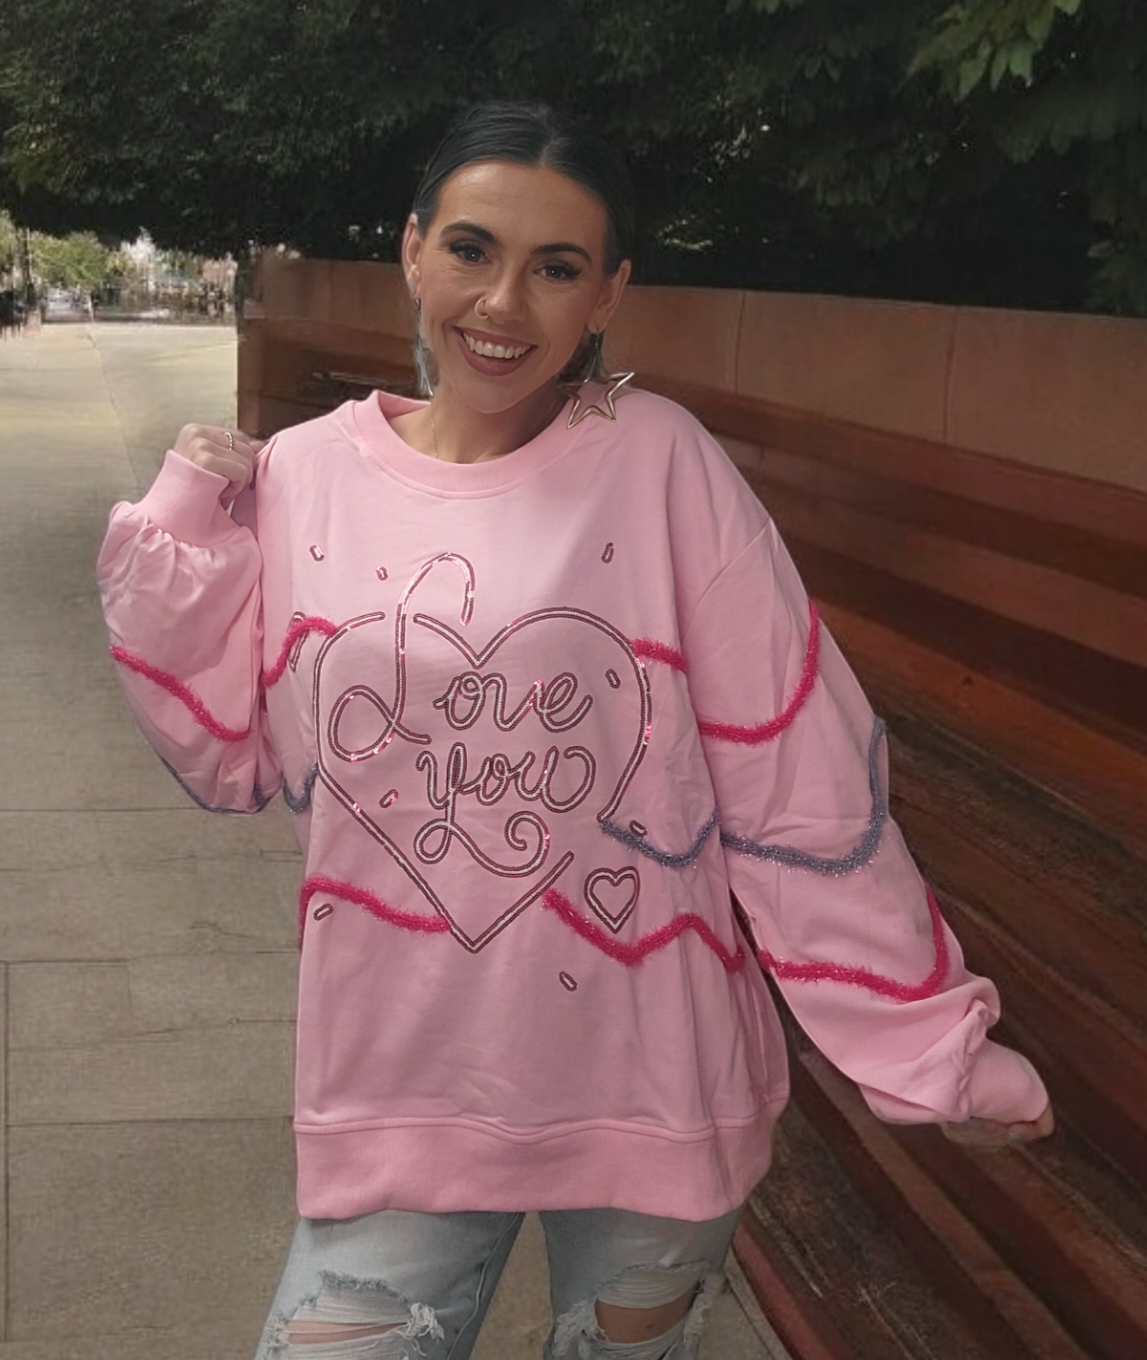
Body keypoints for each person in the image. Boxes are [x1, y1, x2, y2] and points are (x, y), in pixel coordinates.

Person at [97, 102, 1053, 1360]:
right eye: (471, 250)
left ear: (608, 293)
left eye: (555, 268)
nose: (503, 303)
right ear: (412, 251)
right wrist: (183, 513)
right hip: (403, 1086)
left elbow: (796, 776)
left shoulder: (660, 462)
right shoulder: (306, 476)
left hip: (655, 1086)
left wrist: (924, 1041)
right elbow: (228, 753)